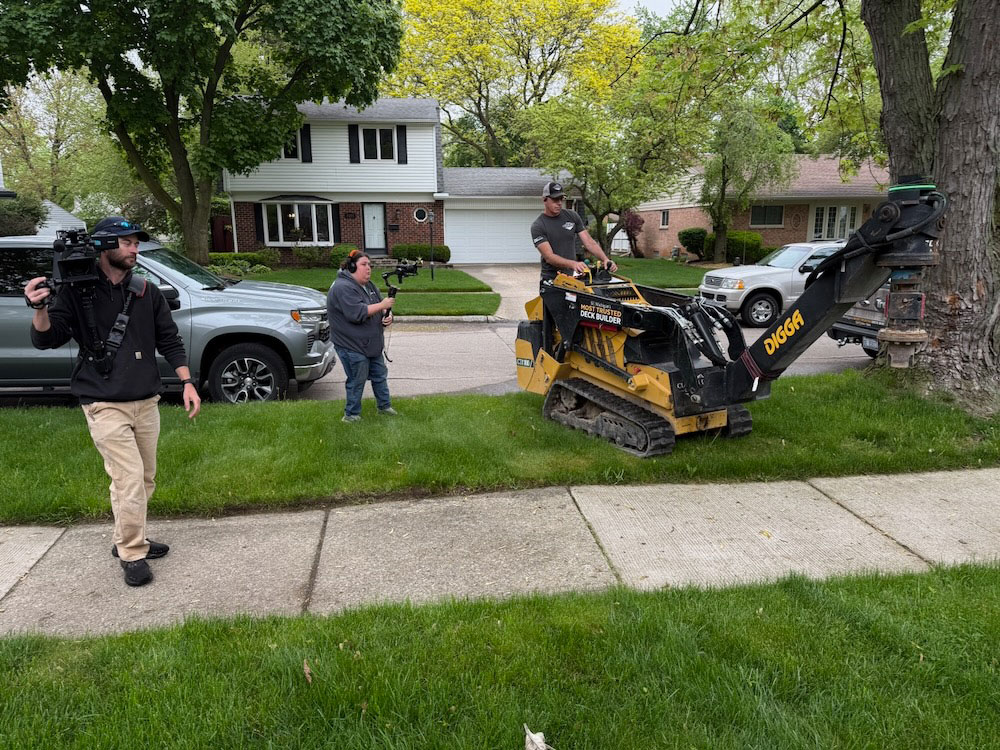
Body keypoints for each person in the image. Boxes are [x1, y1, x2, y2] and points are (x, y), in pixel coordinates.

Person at [23, 216, 201, 587]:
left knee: (143, 479)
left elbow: (169, 339)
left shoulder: (146, 291)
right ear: (104, 247)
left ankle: (127, 537)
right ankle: (132, 553)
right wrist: (39, 308)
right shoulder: (76, 291)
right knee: (129, 480)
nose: (135, 248)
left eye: (136, 242)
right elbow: (47, 339)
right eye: (127, 242)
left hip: (145, 400)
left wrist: (187, 382)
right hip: (103, 402)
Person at [327, 249, 397, 423]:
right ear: (351, 267)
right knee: (357, 381)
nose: (368, 268)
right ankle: (351, 415)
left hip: (371, 343)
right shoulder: (343, 287)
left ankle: (384, 407)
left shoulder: (369, 286)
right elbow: (356, 313)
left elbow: (377, 308)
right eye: (364, 264)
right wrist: (382, 305)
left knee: (379, 376)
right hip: (352, 345)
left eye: (369, 265)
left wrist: (387, 316)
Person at [531, 181, 617, 285]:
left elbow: (589, 242)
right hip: (551, 281)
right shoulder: (538, 226)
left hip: (571, 278)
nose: (559, 203)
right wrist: (573, 264)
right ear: (544, 199)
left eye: (561, 199)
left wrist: (605, 259)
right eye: (555, 199)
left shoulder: (572, 216)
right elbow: (549, 257)